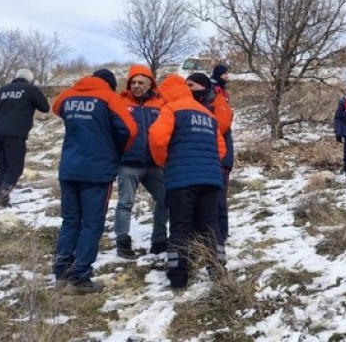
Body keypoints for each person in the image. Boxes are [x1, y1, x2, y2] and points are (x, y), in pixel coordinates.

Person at [52, 69, 138, 294]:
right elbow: (129, 129)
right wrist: (116, 149)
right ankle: (80, 276)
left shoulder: (68, 95)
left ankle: (61, 269)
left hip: (69, 168)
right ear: (109, 84)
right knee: (92, 223)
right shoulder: (109, 97)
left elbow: (55, 107)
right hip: (97, 170)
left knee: (70, 220)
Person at [150, 74, 227, 290]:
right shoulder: (207, 114)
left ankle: (178, 277)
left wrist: (164, 161)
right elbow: (221, 149)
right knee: (210, 225)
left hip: (181, 179)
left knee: (180, 227)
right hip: (211, 179)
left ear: (166, 93)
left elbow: (156, 138)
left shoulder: (171, 109)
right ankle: (218, 269)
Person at [114, 64, 168, 258]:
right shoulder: (120, 101)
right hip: (128, 163)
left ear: (150, 84)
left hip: (154, 164)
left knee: (165, 199)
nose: (136, 86)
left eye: (141, 82)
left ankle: (159, 241)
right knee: (125, 203)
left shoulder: (160, 103)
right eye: (133, 82)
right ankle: (122, 242)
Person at [0, 68, 50, 208]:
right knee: (14, 169)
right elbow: (45, 107)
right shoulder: (31, 89)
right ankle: (1, 199)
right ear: (30, 79)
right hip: (16, 134)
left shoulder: (3, 90)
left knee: (3, 168)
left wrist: (3, 119)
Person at [185, 72, 233, 249]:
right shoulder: (192, 104)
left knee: (218, 198)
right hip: (201, 159)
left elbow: (222, 126)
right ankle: (200, 235)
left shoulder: (218, 102)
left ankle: (221, 234)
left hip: (220, 158)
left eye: (191, 85)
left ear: (202, 86)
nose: (187, 89)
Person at [210, 64, 236, 239]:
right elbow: (223, 121)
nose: (228, 75)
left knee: (220, 193)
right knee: (218, 193)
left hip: (223, 149)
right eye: (225, 73)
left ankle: (220, 231)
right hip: (218, 150)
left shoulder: (222, 91)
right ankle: (219, 231)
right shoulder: (214, 91)